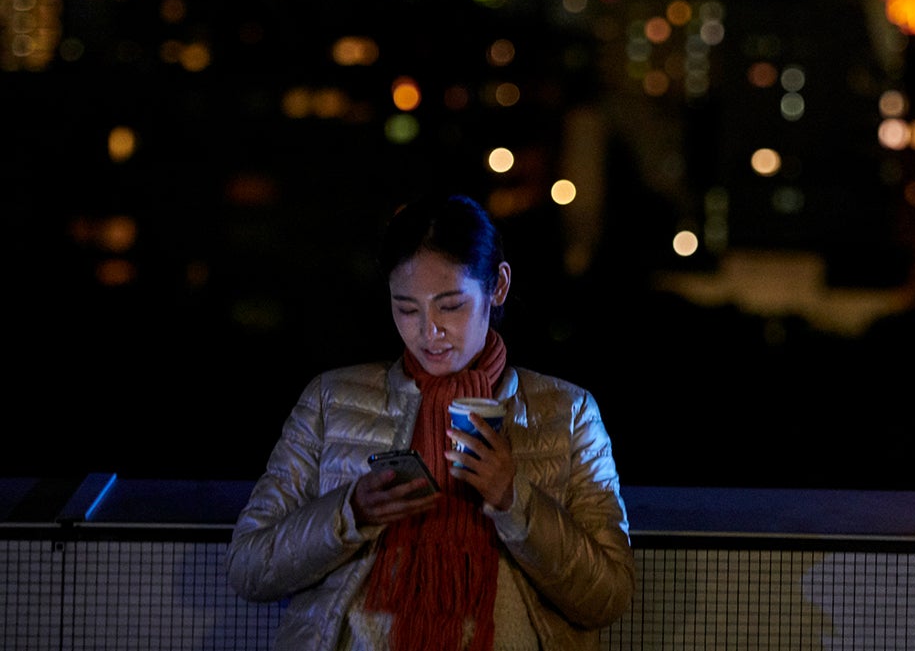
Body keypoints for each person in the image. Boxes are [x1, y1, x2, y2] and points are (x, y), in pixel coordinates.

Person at [227, 194, 634, 650]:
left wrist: (514, 500)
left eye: (451, 305)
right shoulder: (331, 400)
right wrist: (350, 511)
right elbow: (248, 567)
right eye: (406, 308)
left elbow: (608, 597)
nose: (429, 330)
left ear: (497, 287)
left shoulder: (569, 412)